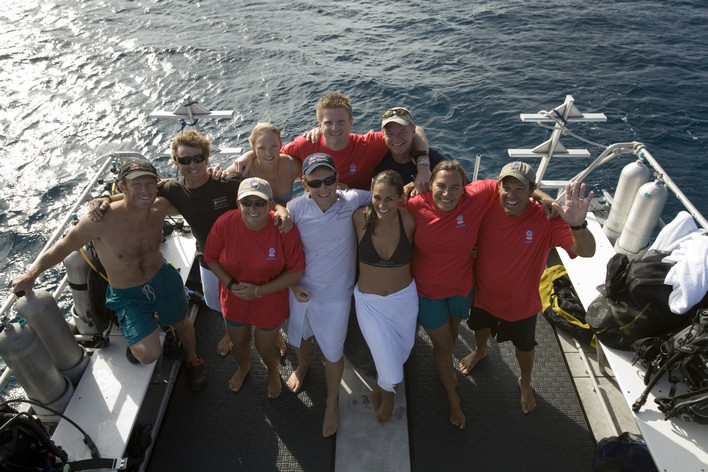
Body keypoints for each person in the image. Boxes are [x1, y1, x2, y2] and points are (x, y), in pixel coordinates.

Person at [89, 130, 291, 358]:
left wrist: (282, 211)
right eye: (184, 160)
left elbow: (263, 199)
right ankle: (233, 333)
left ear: (207, 159)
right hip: (209, 259)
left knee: (263, 302)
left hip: (247, 258)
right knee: (219, 305)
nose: (192, 164)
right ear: (176, 162)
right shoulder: (173, 189)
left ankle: (271, 336)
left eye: (198, 159)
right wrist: (105, 199)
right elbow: (135, 197)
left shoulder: (226, 181)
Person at [12, 159, 208, 391]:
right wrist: (30, 275)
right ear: (122, 186)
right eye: (136, 185)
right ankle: (137, 333)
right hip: (128, 293)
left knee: (182, 322)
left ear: (157, 185)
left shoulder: (161, 207)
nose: (144, 191)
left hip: (162, 278)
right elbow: (63, 248)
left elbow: (194, 196)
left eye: (149, 184)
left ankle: (193, 359)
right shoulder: (99, 221)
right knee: (148, 354)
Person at [459, 162, 596, 413]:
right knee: (479, 328)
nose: (511, 195)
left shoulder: (546, 219)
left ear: (532, 190)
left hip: (521, 306)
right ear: (498, 186)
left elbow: (586, 252)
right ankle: (480, 351)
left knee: (524, 347)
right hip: (483, 296)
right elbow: (450, 194)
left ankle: (525, 380)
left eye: (520, 189)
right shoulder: (487, 199)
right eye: (506, 187)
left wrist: (577, 225)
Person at [406, 160, 500, 429]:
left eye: (454, 187)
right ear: (430, 185)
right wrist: (409, 185)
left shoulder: (476, 196)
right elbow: (382, 204)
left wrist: (545, 201)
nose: (447, 193)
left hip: (461, 288)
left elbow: (506, 186)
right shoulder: (414, 204)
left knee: (453, 330)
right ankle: (453, 399)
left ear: (465, 188)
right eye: (441, 186)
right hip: (428, 293)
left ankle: (448, 369)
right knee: (443, 346)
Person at [285, 153, 371, 437]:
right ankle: (303, 365)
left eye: (329, 180)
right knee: (302, 336)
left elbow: (382, 196)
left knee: (333, 353)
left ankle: (332, 401)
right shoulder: (295, 208)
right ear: (305, 183)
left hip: (336, 298)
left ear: (338, 178)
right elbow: (284, 248)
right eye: (315, 182)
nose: (324, 188)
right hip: (301, 291)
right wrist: (293, 285)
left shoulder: (352, 199)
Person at [204, 177, 305, 399]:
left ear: (270, 204)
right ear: (238, 203)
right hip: (234, 297)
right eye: (247, 202)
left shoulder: (284, 229)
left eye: (259, 203)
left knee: (265, 348)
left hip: (269, 299)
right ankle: (244, 367)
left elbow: (296, 271)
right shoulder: (223, 224)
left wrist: (258, 292)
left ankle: (272, 372)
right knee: (239, 343)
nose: (253, 208)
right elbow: (210, 258)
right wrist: (231, 285)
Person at [229, 92, 432, 193]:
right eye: (328, 123)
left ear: (352, 122)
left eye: (341, 121)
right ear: (319, 124)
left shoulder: (367, 143)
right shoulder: (305, 145)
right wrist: (248, 155)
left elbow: (418, 131)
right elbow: (271, 153)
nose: (335, 128)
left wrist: (423, 167)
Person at [352, 170, 417, 424]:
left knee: (400, 352)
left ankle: (382, 385)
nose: (382, 205)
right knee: (388, 363)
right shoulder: (359, 218)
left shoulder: (409, 221)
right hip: (370, 304)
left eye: (390, 199)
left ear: (401, 198)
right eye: (377, 198)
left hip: (404, 301)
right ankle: (388, 395)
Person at [374, 107, 447, 187]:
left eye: (402, 132)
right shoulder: (380, 163)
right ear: (383, 134)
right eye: (390, 133)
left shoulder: (434, 161)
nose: (396, 139)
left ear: (413, 131)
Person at [241, 123, 302, 204]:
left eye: (273, 146)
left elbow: (313, 182)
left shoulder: (291, 164)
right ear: (253, 149)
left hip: (288, 215)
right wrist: (218, 172)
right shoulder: (245, 169)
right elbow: (223, 178)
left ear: (280, 144)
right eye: (261, 148)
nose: (268, 153)